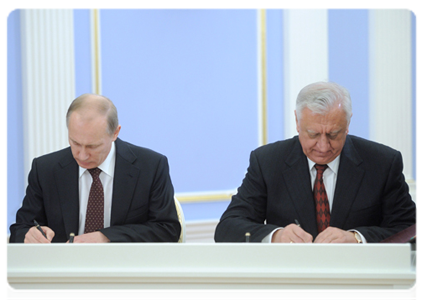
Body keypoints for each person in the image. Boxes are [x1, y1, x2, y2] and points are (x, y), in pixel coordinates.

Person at [215, 81, 419, 243]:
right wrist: (277, 236)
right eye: (313, 134)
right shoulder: (267, 162)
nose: (323, 146)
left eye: (333, 134)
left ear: (347, 124)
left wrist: (357, 238)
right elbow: (228, 228)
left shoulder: (382, 162)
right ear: (297, 122)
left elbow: (411, 231)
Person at [10, 94, 181, 243]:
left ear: (115, 133)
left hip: (127, 272)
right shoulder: (45, 169)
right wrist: (29, 235)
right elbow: (20, 229)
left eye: (93, 146)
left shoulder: (150, 166)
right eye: (75, 143)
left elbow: (167, 229)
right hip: (64, 273)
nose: (82, 155)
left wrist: (106, 237)